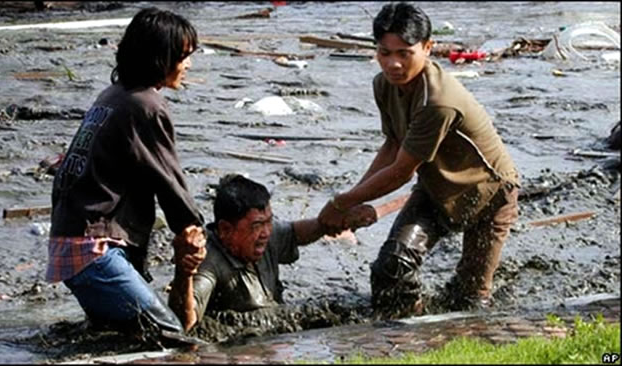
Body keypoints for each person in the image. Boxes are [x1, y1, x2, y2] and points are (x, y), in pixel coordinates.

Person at [318, 2, 520, 314]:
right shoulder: (383, 85)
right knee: (392, 266)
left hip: (489, 193)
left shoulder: (438, 101)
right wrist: (353, 203)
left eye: (404, 53)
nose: (393, 64)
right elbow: (392, 146)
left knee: (471, 300)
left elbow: (400, 171)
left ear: (428, 48)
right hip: (436, 188)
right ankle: (405, 333)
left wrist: (340, 203)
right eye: (384, 53)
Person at [45, 7, 207, 337]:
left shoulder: (113, 96)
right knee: (171, 338)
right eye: (183, 56)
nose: (188, 64)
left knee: (119, 337)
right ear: (161, 58)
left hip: (69, 241)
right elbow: (169, 180)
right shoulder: (145, 105)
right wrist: (192, 228)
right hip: (93, 250)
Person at [169, 174, 377, 333]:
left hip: (273, 318)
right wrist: (184, 274)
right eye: (257, 225)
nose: (266, 232)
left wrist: (336, 221)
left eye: (269, 221)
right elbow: (185, 325)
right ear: (225, 230)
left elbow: (297, 234)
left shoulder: (267, 234)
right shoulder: (208, 261)